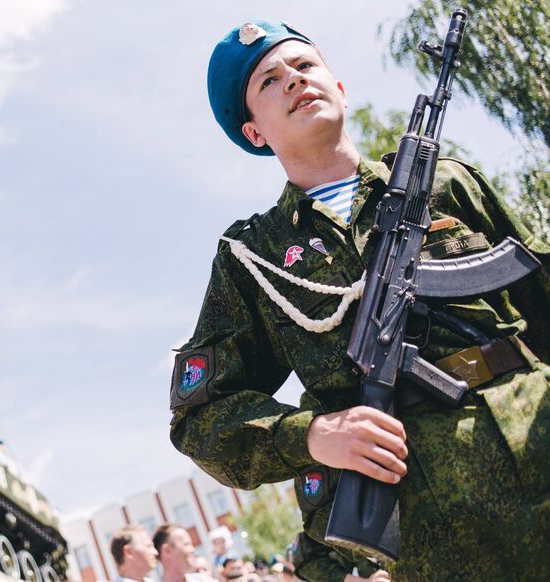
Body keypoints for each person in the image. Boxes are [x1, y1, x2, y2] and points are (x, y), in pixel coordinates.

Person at [168, 19, 550, 582]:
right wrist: (315, 435)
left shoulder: (447, 183)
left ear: (339, 88)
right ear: (254, 132)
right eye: (270, 81)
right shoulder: (254, 256)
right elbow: (199, 421)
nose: (295, 81)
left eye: (305, 66)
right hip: (432, 524)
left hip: (535, 433)